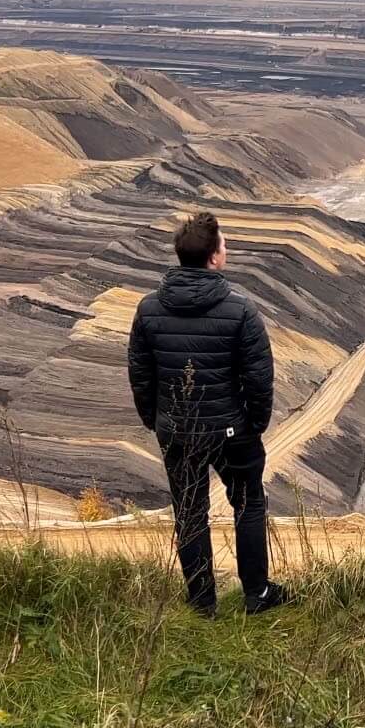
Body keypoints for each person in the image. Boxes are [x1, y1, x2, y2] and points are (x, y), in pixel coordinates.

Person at [128, 212, 290, 616]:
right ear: (214, 257)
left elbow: (141, 375)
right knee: (249, 503)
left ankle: (203, 604)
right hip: (232, 431)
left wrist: (158, 421)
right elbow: (259, 376)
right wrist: (254, 425)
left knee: (189, 511)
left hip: (177, 432)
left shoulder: (148, 309)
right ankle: (257, 594)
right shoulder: (240, 310)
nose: (226, 249)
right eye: (224, 245)